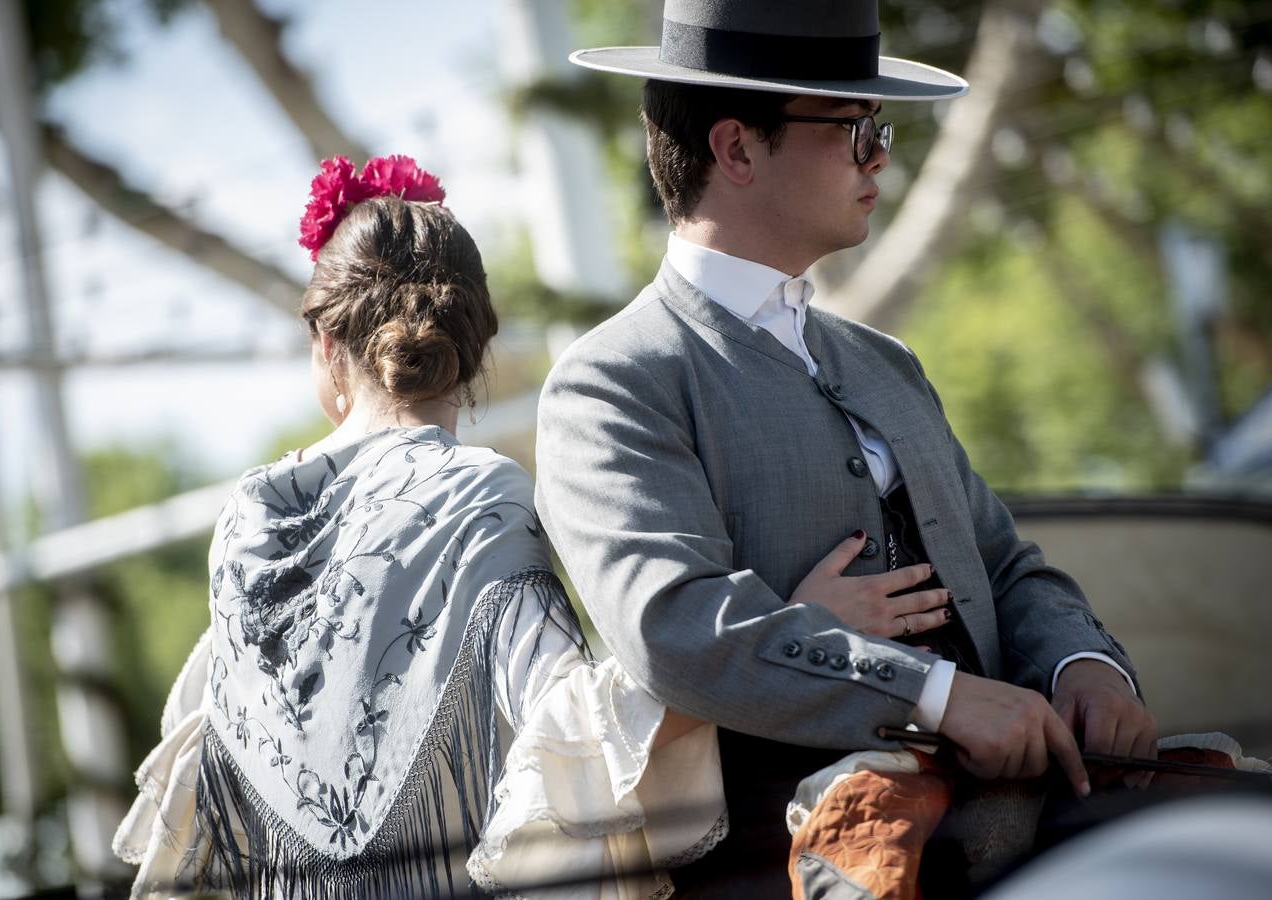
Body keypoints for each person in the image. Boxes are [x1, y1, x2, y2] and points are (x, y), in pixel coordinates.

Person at [535, 1, 1158, 895]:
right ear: (737, 149)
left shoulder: (885, 363)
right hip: (795, 855)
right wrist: (933, 697)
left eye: (880, 128)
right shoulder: (613, 382)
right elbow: (670, 627)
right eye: (853, 128)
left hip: (1022, 811)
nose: (880, 156)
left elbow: (1005, 565)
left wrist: (1083, 665)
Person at [111, 154, 720, 900]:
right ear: (473, 351)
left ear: (328, 345)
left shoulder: (248, 518)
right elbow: (573, 742)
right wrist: (765, 636)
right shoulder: (482, 494)